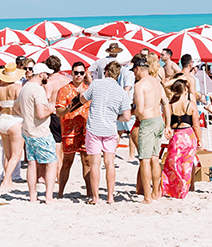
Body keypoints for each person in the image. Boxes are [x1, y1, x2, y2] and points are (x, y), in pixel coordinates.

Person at [84, 61, 131, 205]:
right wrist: (116, 117)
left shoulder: (96, 84)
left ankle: (96, 197)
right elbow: (127, 116)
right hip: (110, 129)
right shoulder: (122, 92)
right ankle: (110, 197)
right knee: (110, 163)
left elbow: (83, 99)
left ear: (106, 72)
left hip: (94, 127)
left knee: (95, 164)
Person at [130, 56, 168, 204]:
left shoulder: (140, 85)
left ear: (138, 69)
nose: (134, 74)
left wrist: (128, 113)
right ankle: (155, 192)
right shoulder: (156, 81)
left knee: (144, 160)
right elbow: (165, 102)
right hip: (159, 120)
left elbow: (139, 109)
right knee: (154, 158)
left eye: (134, 71)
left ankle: (147, 197)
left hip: (147, 121)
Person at [54, 61, 93, 199]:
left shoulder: (89, 89)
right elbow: (58, 112)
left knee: (87, 161)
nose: (78, 75)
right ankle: (60, 193)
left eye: (81, 73)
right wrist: (71, 106)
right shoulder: (63, 90)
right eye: (76, 73)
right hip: (69, 130)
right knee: (67, 162)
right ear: (71, 73)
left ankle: (89, 193)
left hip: (85, 130)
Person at [20, 64, 57, 202]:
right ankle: (48, 196)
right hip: (40, 131)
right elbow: (41, 114)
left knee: (32, 163)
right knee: (51, 163)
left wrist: (28, 116)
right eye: (47, 74)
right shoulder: (38, 90)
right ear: (41, 74)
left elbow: (17, 108)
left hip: (27, 129)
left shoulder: (25, 87)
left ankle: (32, 196)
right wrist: (51, 109)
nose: (48, 76)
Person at [160, 77, 200, 198]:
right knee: (186, 165)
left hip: (176, 135)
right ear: (185, 90)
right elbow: (196, 125)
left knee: (172, 164)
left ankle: (169, 189)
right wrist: (200, 140)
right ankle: (182, 191)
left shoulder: (170, 106)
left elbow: (165, 121)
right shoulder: (191, 105)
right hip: (187, 135)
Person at [0, 65, 26, 189]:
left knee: (8, 155)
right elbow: (22, 106)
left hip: (3, 119)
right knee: (16, 154)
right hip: (15, 120)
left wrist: (5, 106)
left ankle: (7, 178)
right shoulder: (17, 88)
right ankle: (6, 180)